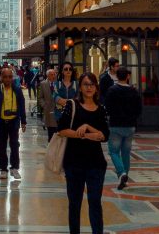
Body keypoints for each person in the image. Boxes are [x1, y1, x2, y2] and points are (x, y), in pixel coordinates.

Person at [57, 71, 109, 234]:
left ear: (96, 87)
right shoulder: (71, 105)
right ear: (80, 87)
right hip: (74, 162)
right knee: (75, 204)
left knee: (95, 202)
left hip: (96, 164)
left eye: (92, 84)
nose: (89, 88)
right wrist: (89, 135)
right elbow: (62, 130)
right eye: (86, 84)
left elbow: (104, 135)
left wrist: (87, 127)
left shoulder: (101, 108)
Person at [103, 65, 142, 189]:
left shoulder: (112, 91)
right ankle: (124, 179)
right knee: (126, 152)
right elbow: (139, 109)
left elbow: (107, 107)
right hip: (130, 126)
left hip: (116, 125)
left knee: (113, 151)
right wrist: (133, 118)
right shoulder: (133, 91)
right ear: (128, 76)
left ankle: (121, 173)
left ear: (116, 76)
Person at [0, 65, 26, 179]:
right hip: (1, 122)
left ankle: (14, 168)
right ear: (1, 78)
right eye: (5, 77)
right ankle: (3, 169)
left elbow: (22, 106)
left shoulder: (17, 90)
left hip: (14, 121)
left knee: (14, 145)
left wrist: (23, 121)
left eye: (10, 77)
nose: (8, 79)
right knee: (1, 146)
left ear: (12, 78)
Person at [40, 67, 59, 141]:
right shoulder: (43, 84)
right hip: (48, 110)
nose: (53, 76)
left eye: (54, 74)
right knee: (50, 131)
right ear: (48, 76)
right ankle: (50, 147)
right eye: (51, 74)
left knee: (57, 131)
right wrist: (44, 105)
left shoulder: (59, 84)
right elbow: (41, 97)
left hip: (58, 109)